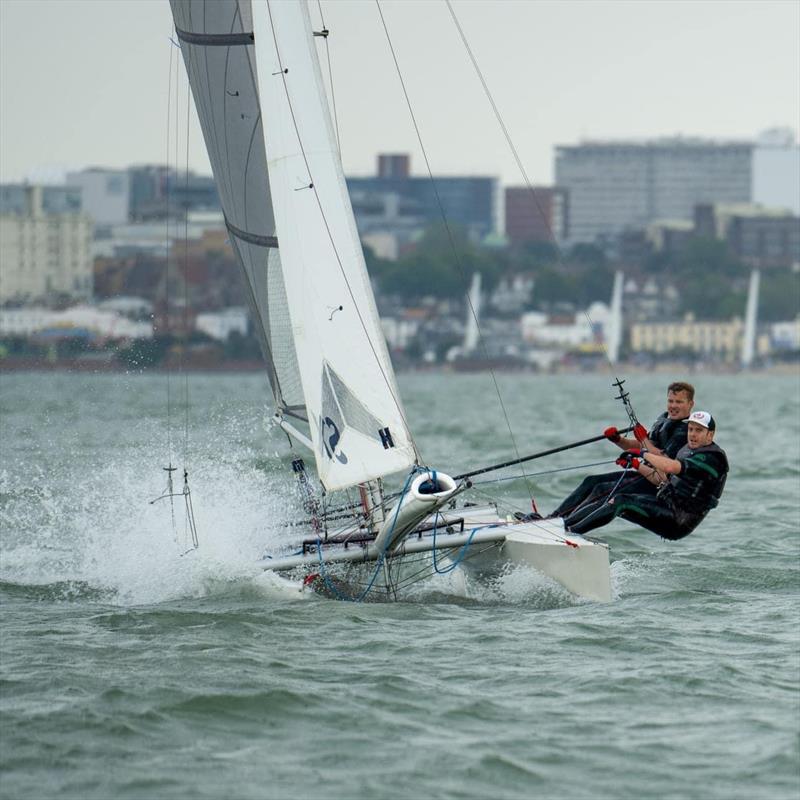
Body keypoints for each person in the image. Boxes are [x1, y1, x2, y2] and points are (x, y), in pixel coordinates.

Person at [564, 410, 728, 540]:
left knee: (621, 502)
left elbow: (671, 467)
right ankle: (565, 524)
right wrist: (637, 465)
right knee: (612, 497)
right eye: (691, 429)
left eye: (699, 430)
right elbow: (662, 478)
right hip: (665, 504)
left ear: (710, 434)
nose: (692, 434)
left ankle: (571, 533)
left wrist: (642, 453)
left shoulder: (712, 458)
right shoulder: (687, 449)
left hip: (678, 520)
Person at [549, 381, 696, 519]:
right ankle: (555, 517)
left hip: (660, 485)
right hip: (645, 475)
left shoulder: (686, 430)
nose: (673, 405)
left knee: (602, 490)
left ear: (690, 404)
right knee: (591, 481)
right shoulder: (664, 420)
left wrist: (643, 439)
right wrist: (618, 440)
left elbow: (663, 460)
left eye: (679, 402)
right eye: (670, 401)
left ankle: (566, 523)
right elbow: (643, 447)